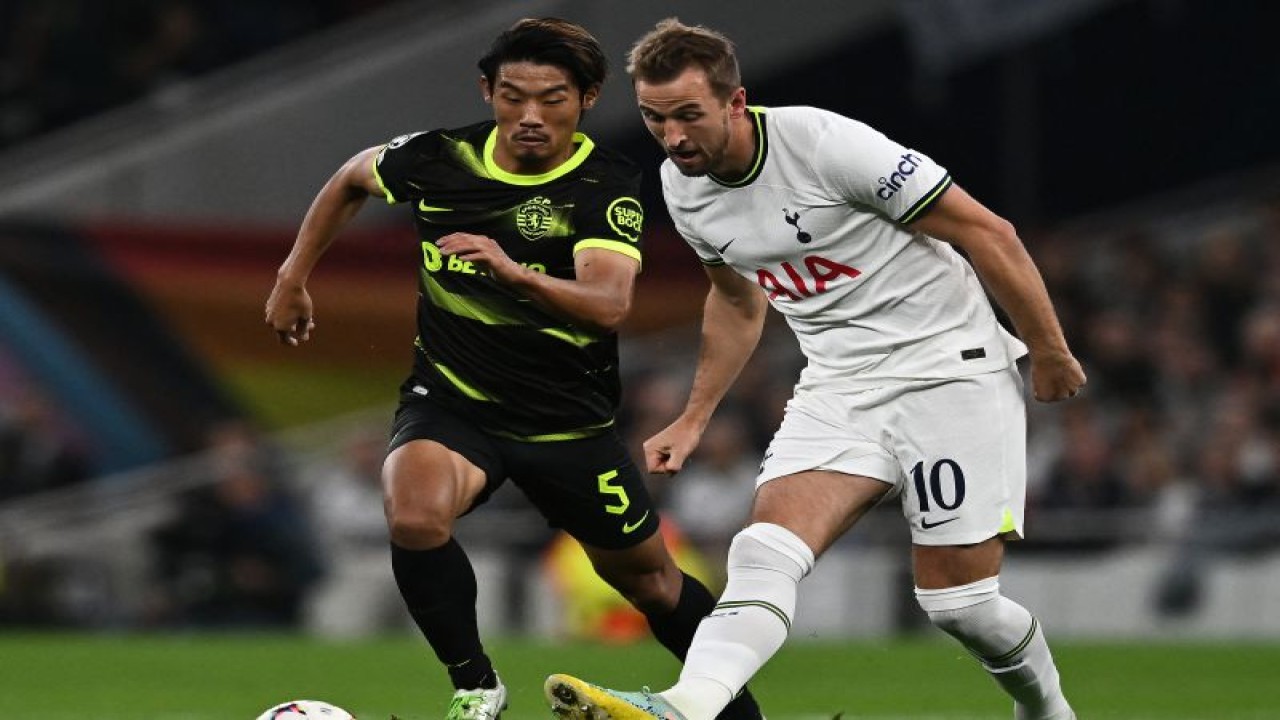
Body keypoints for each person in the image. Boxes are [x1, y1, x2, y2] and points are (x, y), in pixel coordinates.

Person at [544, 18, 1086, 720]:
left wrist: (1047, 350)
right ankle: (686, 707)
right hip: (839, 384)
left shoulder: (827, 146)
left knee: (960, 605)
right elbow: (737, 303)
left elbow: (989, 232)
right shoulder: (685, 188)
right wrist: (695, 414)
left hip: (949, 370)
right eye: (653, 118)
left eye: (688, 116)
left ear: (735, 103)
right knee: (763, 550)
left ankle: (1048, 711)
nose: (673, 137)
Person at [264, 17, 763, 720]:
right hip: (453, 403)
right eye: (512, 96)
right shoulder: (437, 158)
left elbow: (607, 304)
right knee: (413, 513)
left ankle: (738, 714)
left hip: (566, 425)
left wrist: (509, 271)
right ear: (487, 91)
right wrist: (294, 275)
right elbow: (350, 178)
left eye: (552, 99)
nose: (530, 116)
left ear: (587, 98)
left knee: (652, 582)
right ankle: (474, 683)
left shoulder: (603, 184)